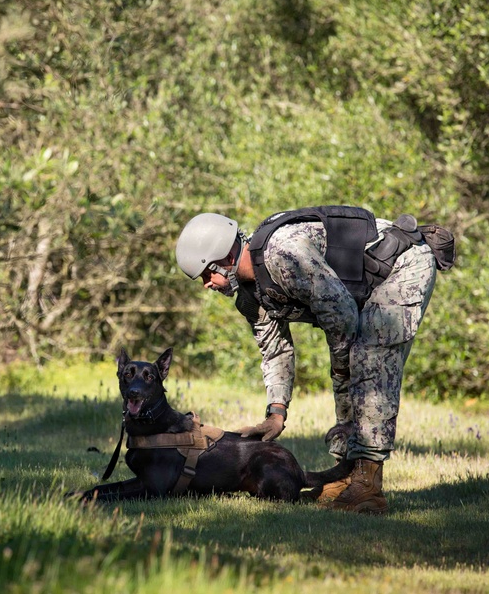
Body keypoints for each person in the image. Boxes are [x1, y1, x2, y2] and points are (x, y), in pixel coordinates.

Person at [175, 206, 449, 514]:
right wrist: (275, 413)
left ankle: (367, 487)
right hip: (365, 290)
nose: (207, 285)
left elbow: (342, 315)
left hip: (404, 264)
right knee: (352, 365)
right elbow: (275, 349)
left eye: (206, 274)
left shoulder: (283, 255)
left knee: (369, 358)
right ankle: (347, 476)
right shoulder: (248, 296)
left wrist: (344, 377)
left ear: (226, 259)